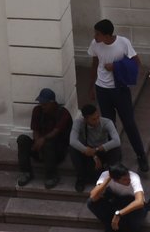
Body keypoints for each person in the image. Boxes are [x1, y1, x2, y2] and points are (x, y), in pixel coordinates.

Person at [90, 19, 148, 173]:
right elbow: (94, 63)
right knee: (109, 124)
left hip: (119, 89)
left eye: (98, 34)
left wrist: (116, 66)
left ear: (107, 35)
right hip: (102, 89)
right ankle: (115, 157)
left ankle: (141, 155)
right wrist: (91, 86)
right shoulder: (95, 44)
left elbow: (136, 63)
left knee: (129, 123)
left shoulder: (123, 43)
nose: (95, 36)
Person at [17, 87, 72, 189]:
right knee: (22, 139)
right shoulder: (38, 110)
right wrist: (37, 142)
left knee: (48, 143)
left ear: (52, 103)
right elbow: (36, 130)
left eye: (45, 104)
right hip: (40, 147)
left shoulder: (63, 113)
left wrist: (43, 140)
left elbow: (56, 132)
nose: (42, 106)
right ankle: (26, 172)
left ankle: (51, 176)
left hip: (57, 149)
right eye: (41, 103)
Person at [71, 103, 124, 192]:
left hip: (103, 149)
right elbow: (72, 141)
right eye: (93, 119)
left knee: (116, 150)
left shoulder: (106, 122)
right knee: (73, 150)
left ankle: (112, 175)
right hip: (89, 152)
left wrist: (96, 150)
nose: (97, 121)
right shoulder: (79, 123)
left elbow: (116, 141)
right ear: (85, 119)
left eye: (97, 117)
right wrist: (92, 155)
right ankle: (81, 178)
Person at [87, 164, 147, 231]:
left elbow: (140, 202)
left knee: (132, 224)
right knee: (91, 203)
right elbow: (93, 196)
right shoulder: (106, 175)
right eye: (124, 180)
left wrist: (118, 214)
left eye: (128, 177)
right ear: (115, 180)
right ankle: (110, 225)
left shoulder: (134, 177)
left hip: (132, 205)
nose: (128, 180)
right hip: (116, 201)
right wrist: (107, 180)